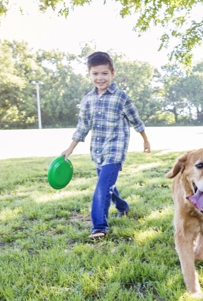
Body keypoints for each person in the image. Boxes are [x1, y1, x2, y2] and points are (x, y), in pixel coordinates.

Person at [61, 51, 151, 239]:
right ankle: (122, 206)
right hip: (98, 152)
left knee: (102, 187)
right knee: (107, 185)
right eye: (95, 73)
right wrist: (69, 149)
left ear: (112, 73)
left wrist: (145, 139)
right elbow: (82, 127)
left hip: (115, 151)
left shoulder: (121, 97)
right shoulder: (87, 100)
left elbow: (136, 120)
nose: (99, 78)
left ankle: (99, 227)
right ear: (89, 74)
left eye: (104, 73)